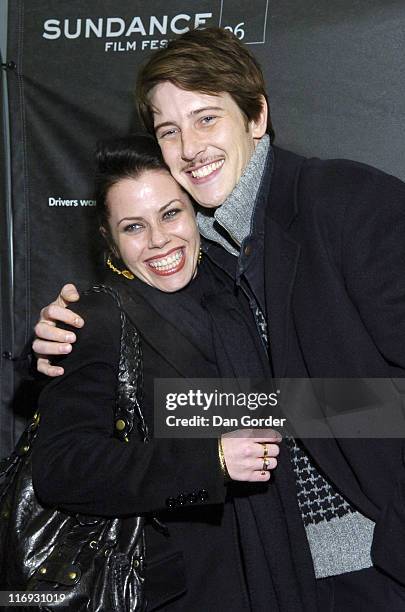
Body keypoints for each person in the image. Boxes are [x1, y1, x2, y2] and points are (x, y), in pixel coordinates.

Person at [33, 28, 405, 610]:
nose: (190, 146)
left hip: (379, 562)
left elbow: (324, 400)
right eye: (169, 131)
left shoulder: (341, 201)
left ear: (256, 117)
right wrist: (81, 335)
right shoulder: (206, 262)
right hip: (285, 574)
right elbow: (258, 405)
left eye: (207, 118)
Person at [32, 134, 283, 611]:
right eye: (133, 227)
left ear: (196, 214)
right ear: (109, 239)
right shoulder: (97, 320)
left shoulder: (241, 289)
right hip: (185, 589)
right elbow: (61, 469)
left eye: (171, 214)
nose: (159, 240)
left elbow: (279, 407)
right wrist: (211, 462)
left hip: (277, 568)